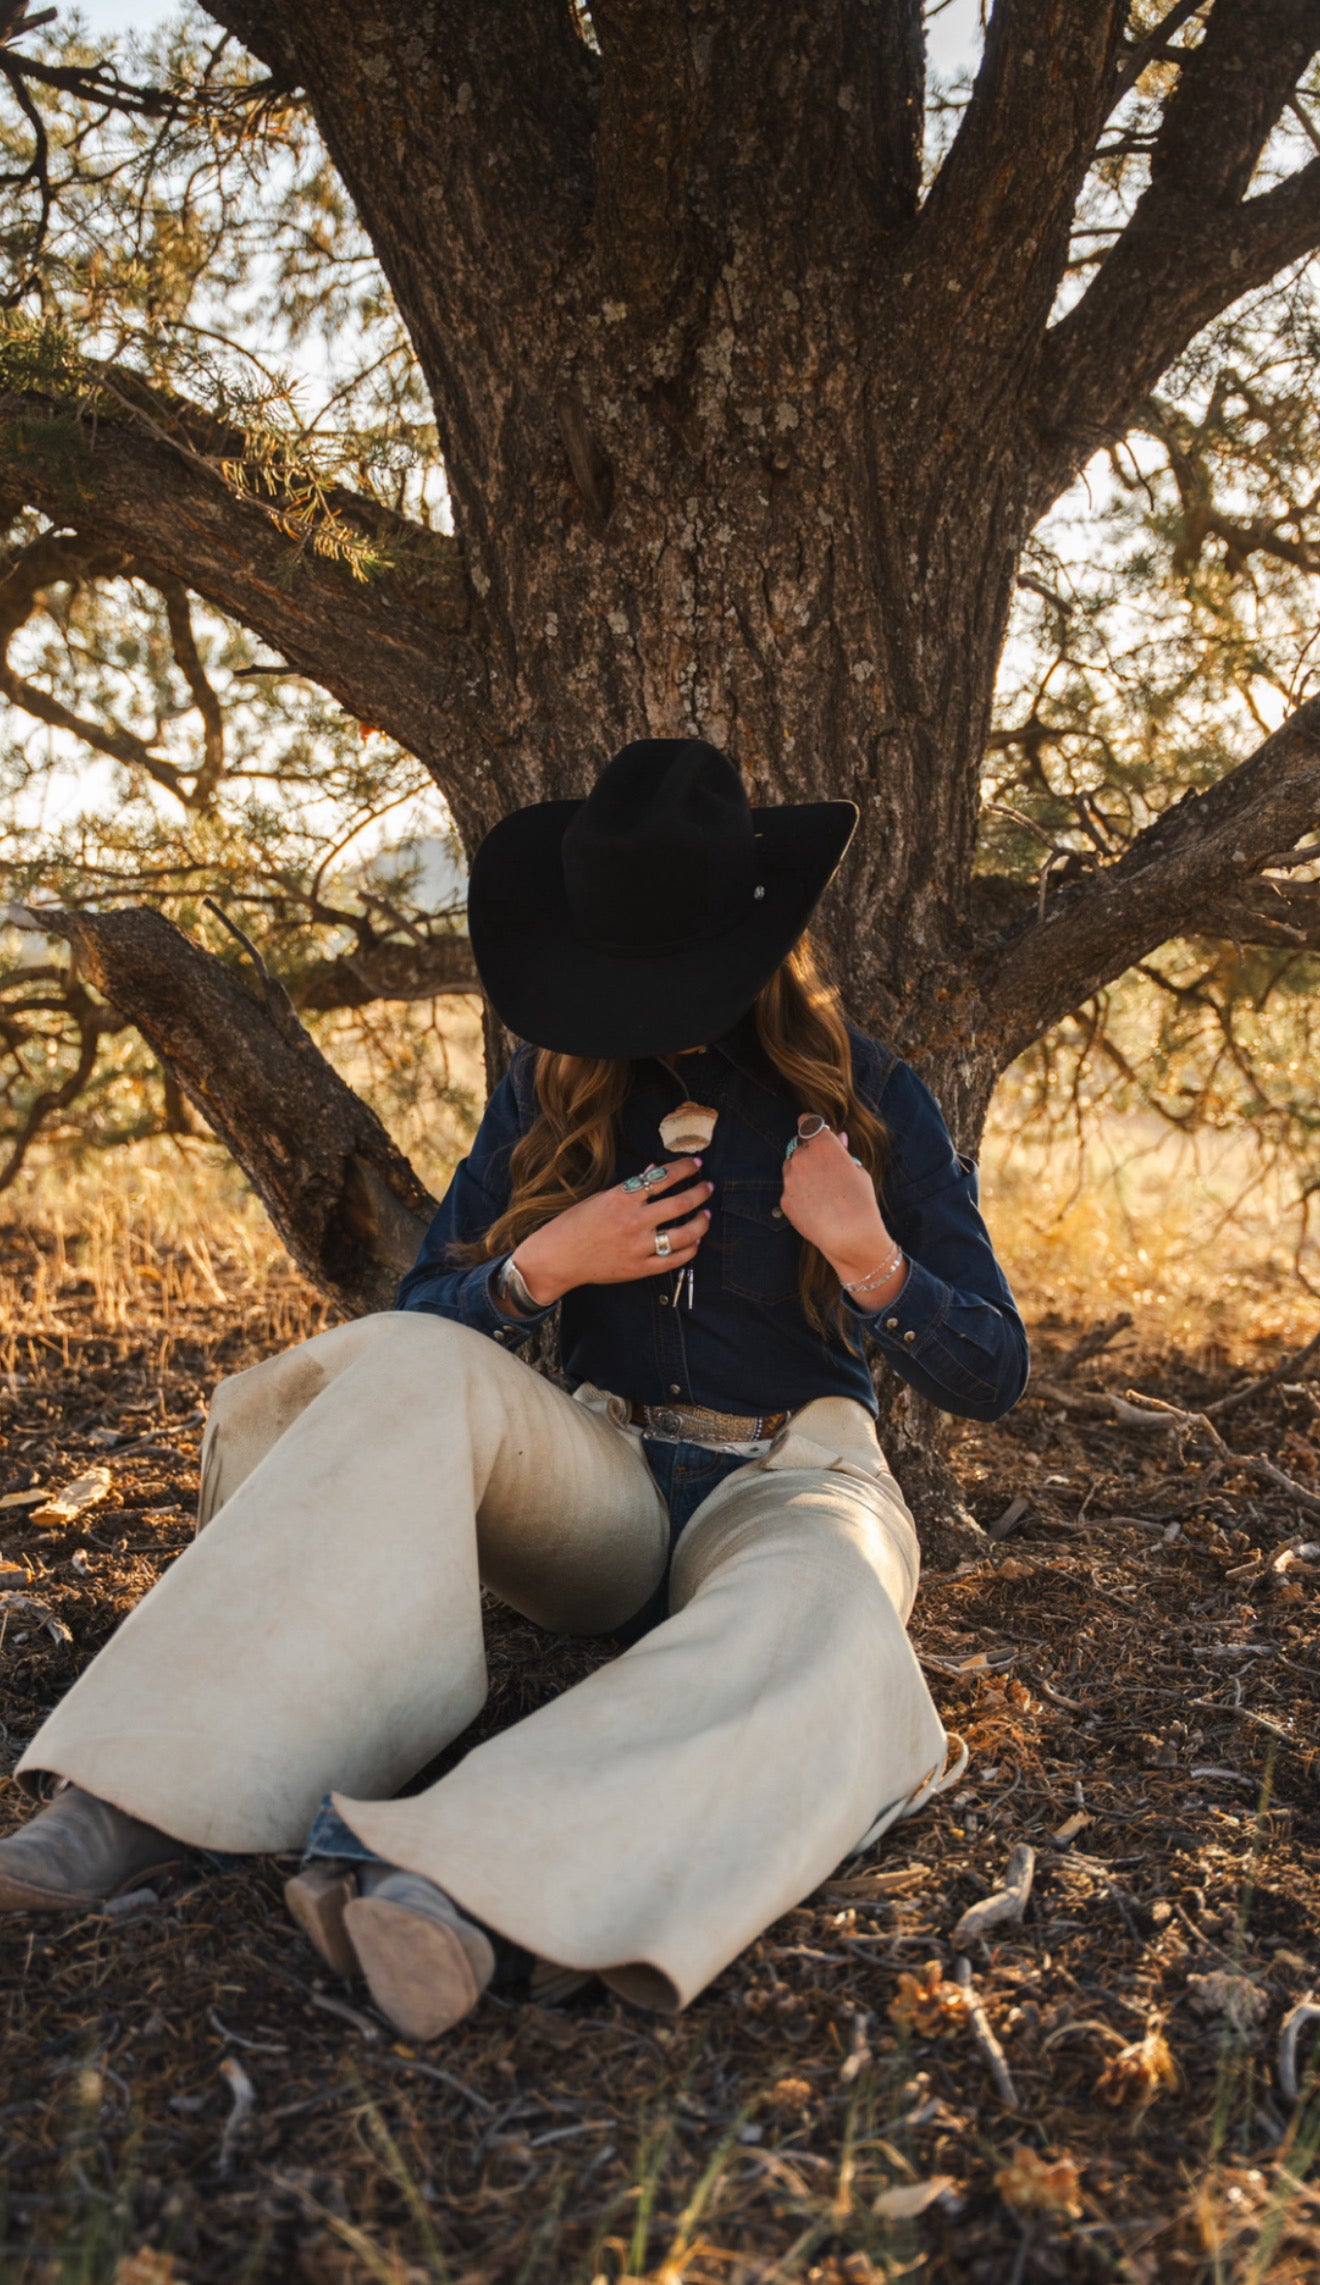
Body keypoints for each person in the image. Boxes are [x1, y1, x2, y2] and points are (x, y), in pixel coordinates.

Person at [0, 739, 1028, 2039]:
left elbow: (997, 1367)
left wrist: (871, 1257)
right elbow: (413, 1322)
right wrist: (538, 1269)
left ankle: (460, 1884)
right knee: (420, 1361)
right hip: (595, 1483)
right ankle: (146, 1790)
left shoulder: (873, 1098)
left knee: (833, 1600)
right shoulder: (552, 1087)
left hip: (793, 1478)